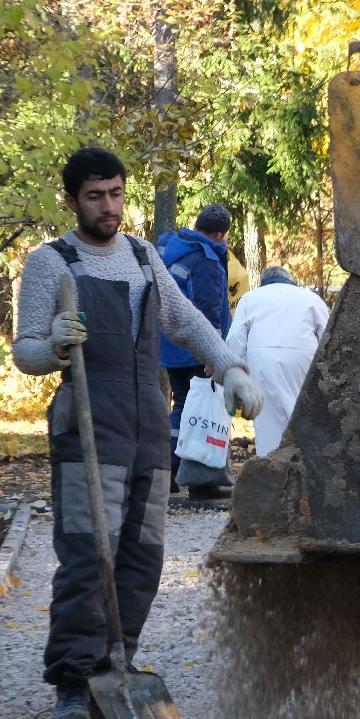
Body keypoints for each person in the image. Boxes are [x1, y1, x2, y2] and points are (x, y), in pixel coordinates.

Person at [12, 147, 263, 719]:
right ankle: (73, 684)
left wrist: (229, 367)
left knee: (141, 556)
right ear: (71, 200)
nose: (108, 206)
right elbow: (24, 352)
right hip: (86, 425)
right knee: (85, 552)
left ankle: (113, 664)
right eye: (95, 195)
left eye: (116, 193)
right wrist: (52, 344)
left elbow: (187, 323)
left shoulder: (145, 257)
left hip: (149, 425)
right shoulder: (52, 263)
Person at [157, 203, 234, 498]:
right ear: (218, 234)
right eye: (224, 237)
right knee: (197, 411)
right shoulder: (205, 260)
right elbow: (208, 312)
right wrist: (213, 356)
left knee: (183, 406)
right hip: (193, 349)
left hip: (169, 344)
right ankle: (200, 479)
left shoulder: (172, 245)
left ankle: (168, 473)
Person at [225, 265, 330, 454]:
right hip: (303, 355)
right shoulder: (311, 298)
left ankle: (269, 465)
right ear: (289, 279)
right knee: (302, 411)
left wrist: (237, 373)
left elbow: (235, 339)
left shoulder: (250, 298)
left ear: (263, 282)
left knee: (268, 419)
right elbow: (328, 336)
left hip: (261, 357)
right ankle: (304, 462)